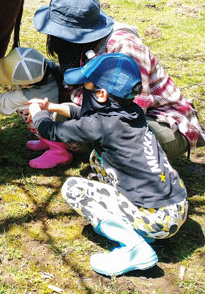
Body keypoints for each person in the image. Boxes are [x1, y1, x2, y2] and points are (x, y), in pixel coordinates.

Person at [28, 53, 188, 276]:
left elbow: (51, 131)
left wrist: (39, 114)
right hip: (177, 207)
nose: (83, 90)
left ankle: (136, 249)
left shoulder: (100, 124)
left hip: (156, 217)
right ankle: (138, 228)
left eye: (86, 86)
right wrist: (53, 106)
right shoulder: (131, 112)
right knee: (97, 157)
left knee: (73, 189)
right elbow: (85, 115)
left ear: (101, 94)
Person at [33, 0, 205, 160]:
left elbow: (132, 109)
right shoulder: (77, 49)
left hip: (161, 119)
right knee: (64, 120)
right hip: (110, 110)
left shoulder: (124, 47)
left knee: (115, 136)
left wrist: (78, 105)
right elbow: (78, 91)